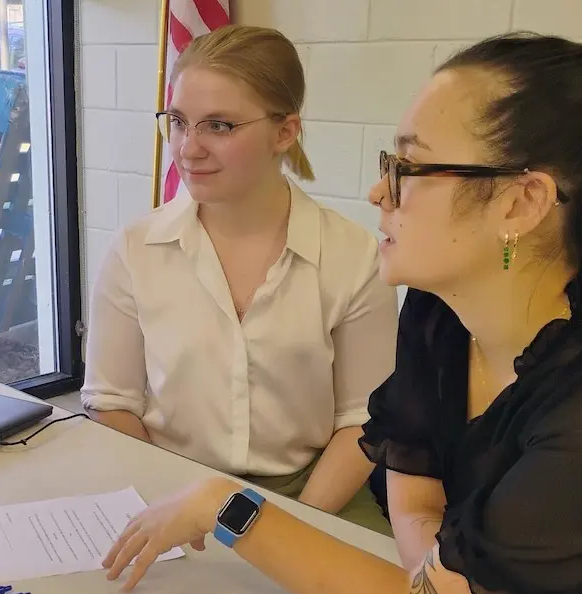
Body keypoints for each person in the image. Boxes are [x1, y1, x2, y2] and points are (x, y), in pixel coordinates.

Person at [100, 32, 582, 594]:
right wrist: (429, 575)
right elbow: (416, 495)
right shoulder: (442, 308)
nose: (377, 191)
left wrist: (225, 507)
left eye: (409, 166)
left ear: (521, 203)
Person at [81, 24, 398, 536]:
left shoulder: (353, 257)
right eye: (178, 122)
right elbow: (112, 402)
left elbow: (363, 420)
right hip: (171, 484)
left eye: (219, 126)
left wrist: (286, 531)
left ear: (285, 132)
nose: (188, 148)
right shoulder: (135, 251)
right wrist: (170, 504)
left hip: (315, 494)